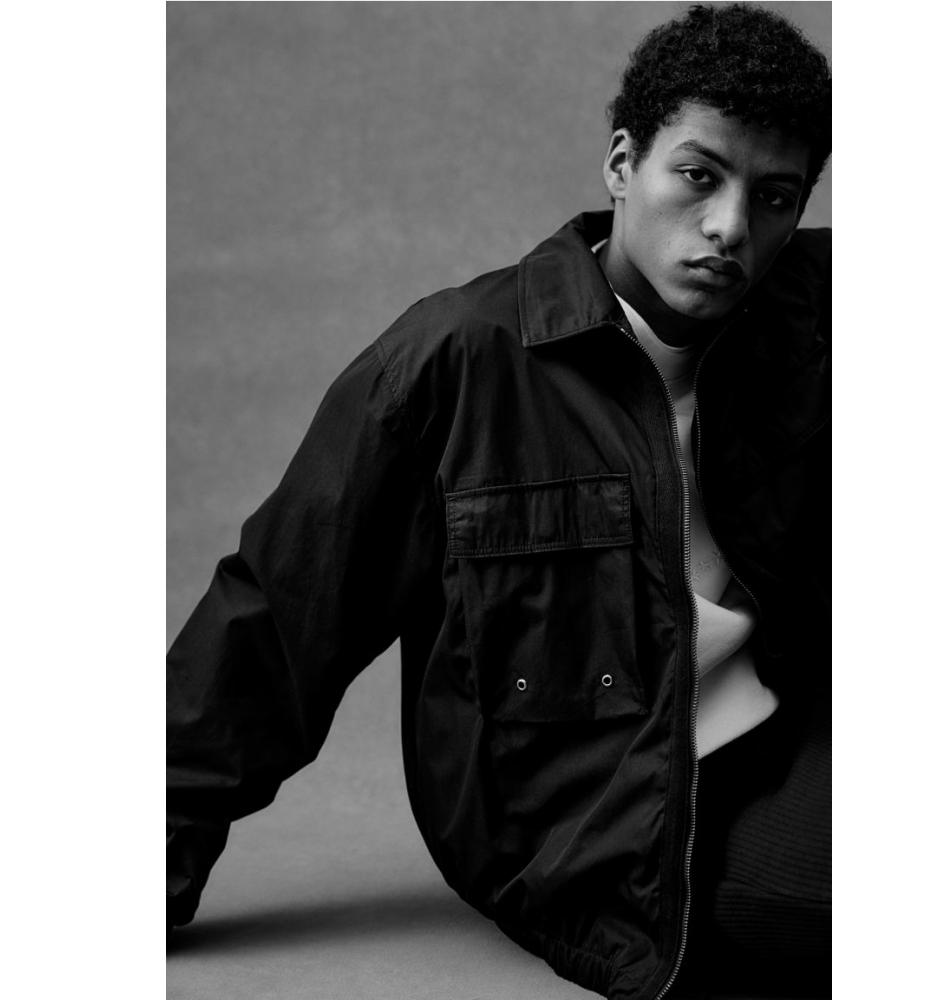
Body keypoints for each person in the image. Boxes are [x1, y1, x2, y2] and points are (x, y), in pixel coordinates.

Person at [167, 4, 831, 998]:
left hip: (792, 733)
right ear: (622, 164)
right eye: (699, 175)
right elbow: (273, 626)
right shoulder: (455, 364)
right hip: (602, 823)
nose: (731, 227)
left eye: (774, 196)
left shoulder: (808, 316)